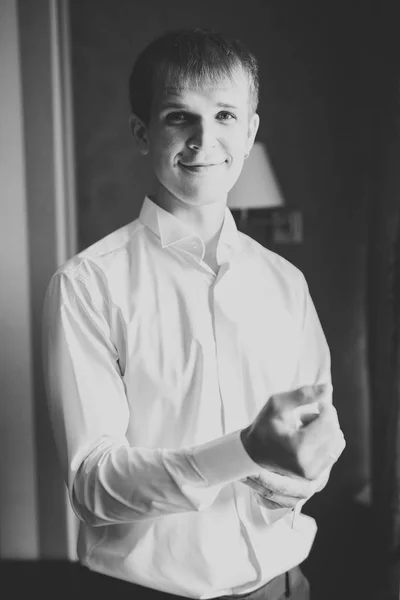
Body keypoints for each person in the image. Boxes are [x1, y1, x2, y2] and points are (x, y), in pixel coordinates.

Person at [42, 28, 346, 600]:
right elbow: (92, 486)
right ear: (142, 132)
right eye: (179, 116)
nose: (204, 139)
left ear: (251, 130)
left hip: (286, 588)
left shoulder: (286, 283)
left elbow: (315, 440)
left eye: (226, 115)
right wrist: (245, 451)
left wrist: (303, 473)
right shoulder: (87, 284)